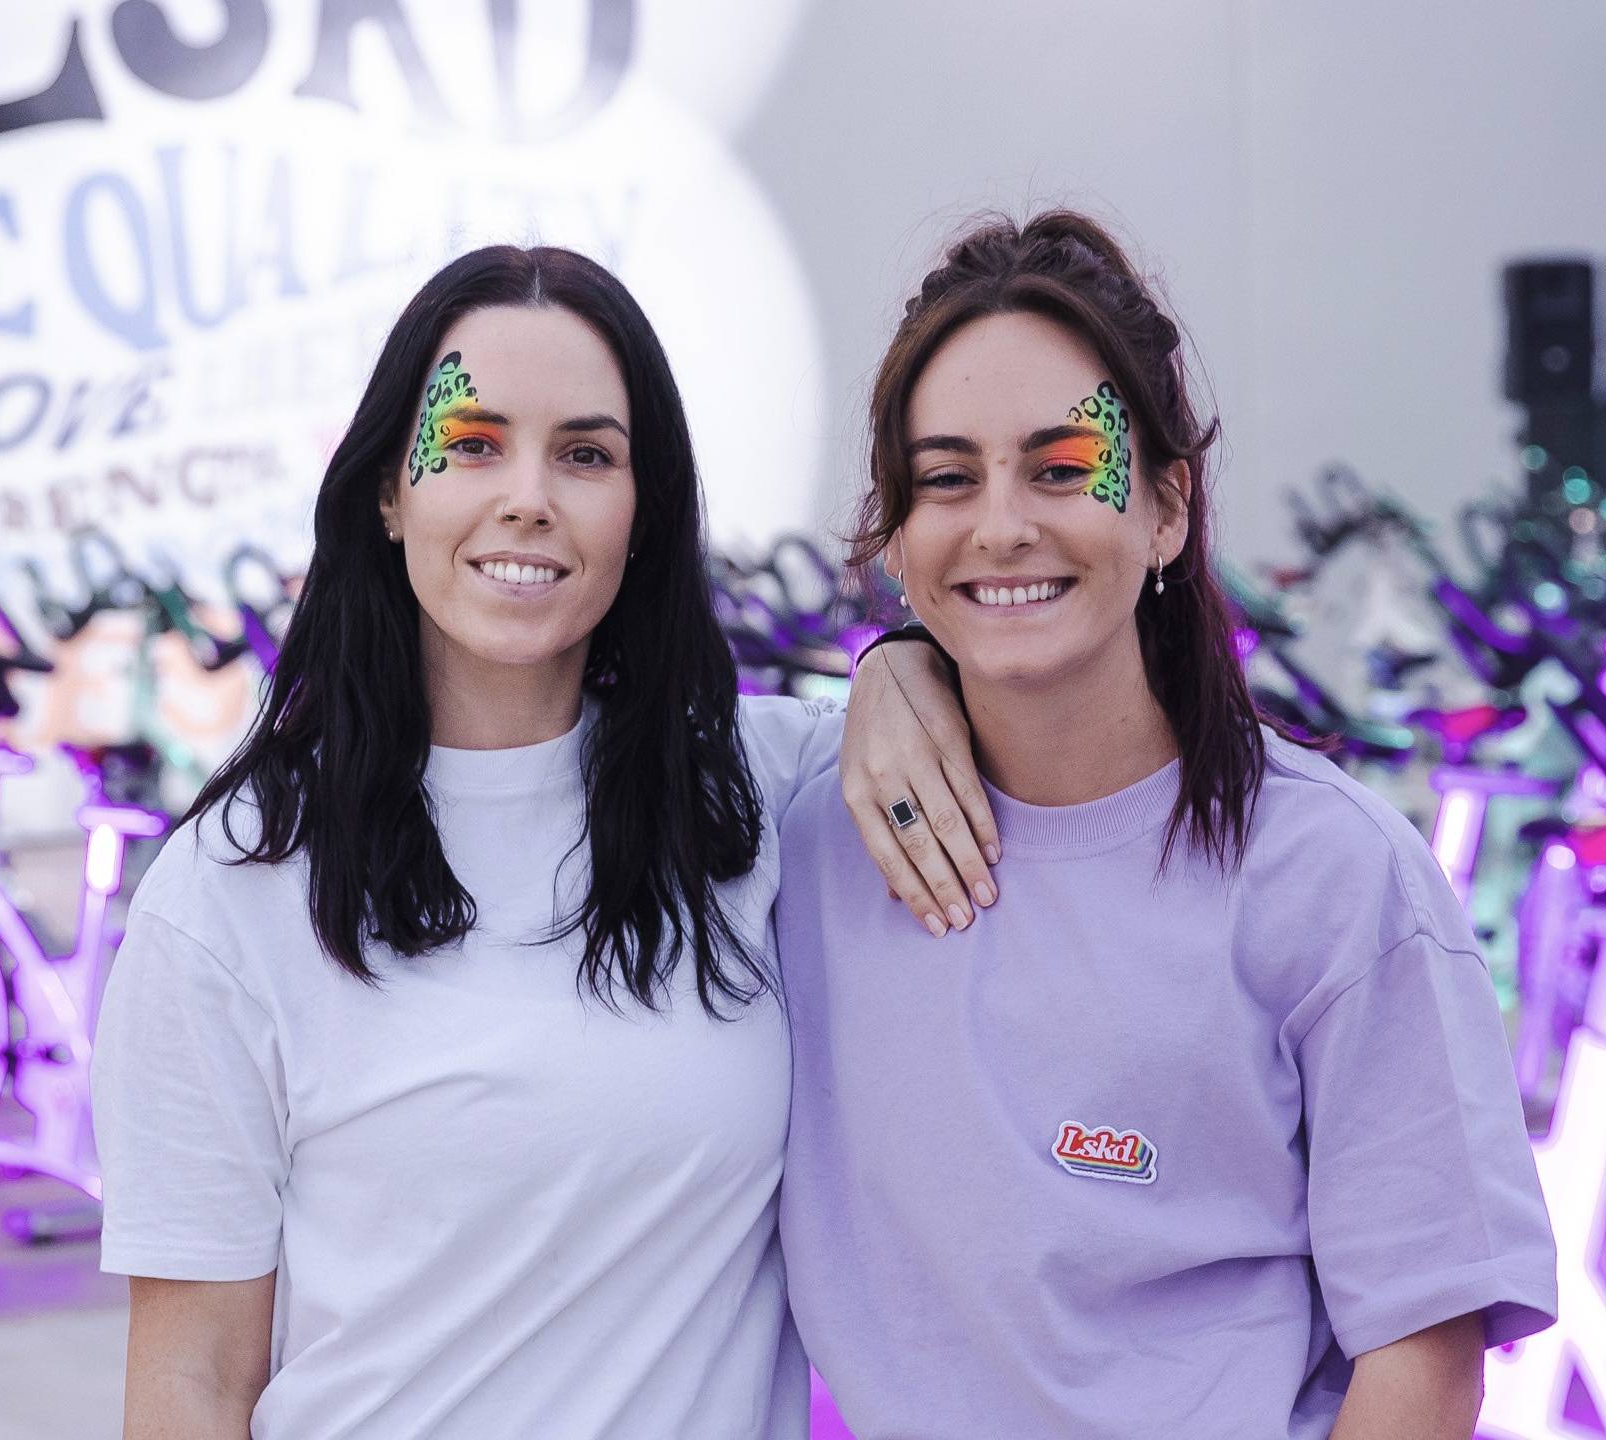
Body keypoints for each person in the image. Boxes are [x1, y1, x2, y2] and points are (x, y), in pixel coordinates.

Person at [90, 243, 994, 1440]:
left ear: (642, 508)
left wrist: (906, 664)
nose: (529, 495)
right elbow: (192, 1381)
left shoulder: (758, 799)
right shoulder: (232, 892)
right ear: (388, 489)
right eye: (471, 445)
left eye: (585, 454)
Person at [776, 211, 1558, 1439]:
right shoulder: (811, 839)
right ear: (898, 531)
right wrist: (892, 669)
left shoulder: (1332, 878)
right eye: (945, 479)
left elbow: (1422, 1357)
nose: (999, 526)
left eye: (1059, 468)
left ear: (1169, 508)